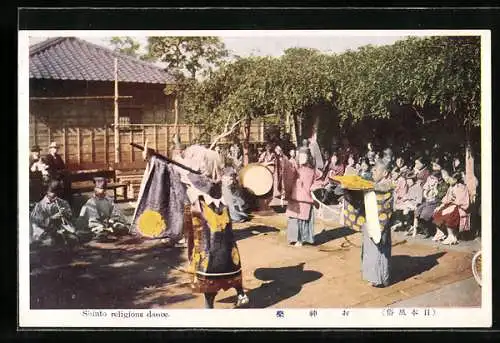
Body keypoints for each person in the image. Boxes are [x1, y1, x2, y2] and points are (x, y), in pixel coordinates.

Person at [144, 144, 249, 308]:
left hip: (207, 227)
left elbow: (176, 168)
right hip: (220, 225)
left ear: (203, 165)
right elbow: (179, 167)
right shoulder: (214, 181)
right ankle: (241, 293)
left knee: (208, 262)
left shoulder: (200, 181)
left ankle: (210, 304)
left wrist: (154, 158)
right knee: (229, 257)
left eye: (196, 160)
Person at [341, 159, 394, 288]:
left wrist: (365, 185)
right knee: (370, 250)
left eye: (376, 170)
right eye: (373, 169)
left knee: (379, 250)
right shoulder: (373, 184)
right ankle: (374, 277)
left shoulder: (388, 184)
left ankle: (381, 278)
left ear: (385, 173)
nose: (373, 172)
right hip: (369, 219)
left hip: (380, 222)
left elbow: (380, 191)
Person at [283, 147, 322, 247]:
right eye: (300, 156)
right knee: (293, 218)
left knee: (303, 219)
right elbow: (288, 175)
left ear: (308, 157)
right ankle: (294, 237)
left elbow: (317, 181)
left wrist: (315, 187)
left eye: (304, 156)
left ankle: (301, 239)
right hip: (294, 196)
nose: (301, 158)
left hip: (306, 198)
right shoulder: (295, 168)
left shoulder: (313, 171)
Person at [30, 180, 76, 247]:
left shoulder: (63, 202)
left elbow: (71, 217)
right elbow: (37, 222)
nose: (55, 195)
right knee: (52, 242)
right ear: (47, 192)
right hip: (45, 231)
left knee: (73, 239)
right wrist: (52, 218)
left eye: (57, 193)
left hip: (61, 229)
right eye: (52, 192)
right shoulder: (40, 206)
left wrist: (66, 213)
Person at [432, 172, 470, 245]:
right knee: (438, 213)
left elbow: (460, 201)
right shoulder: (451, 187)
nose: (448, 180)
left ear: (455, 180)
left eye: (450, 179)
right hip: (451, 205)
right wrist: (441, 206)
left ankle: (452, 236)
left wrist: (452, 206)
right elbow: (447, 199)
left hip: (459, 207)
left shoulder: (461, 187)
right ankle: (441, 233)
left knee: (449, 215)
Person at [413, 160, 449, 238]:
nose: (434, 167)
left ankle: (429, 230)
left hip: (437, 201)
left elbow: (442, 192)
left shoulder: (443, 177)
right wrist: (426, 194)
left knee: (425, 213)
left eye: (436, 165)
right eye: (434, 166)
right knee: (418, 211)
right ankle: (425, 229)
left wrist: (434, 194)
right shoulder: (431, 176)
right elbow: (426, 187)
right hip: (429, 199)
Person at [402, 171, 423, 236]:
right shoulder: (410, 187)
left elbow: (419, 199)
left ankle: (411, 226)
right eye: (407, 181)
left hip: (416, 204)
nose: (408, 182)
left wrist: (413, 204)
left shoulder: (418, 187)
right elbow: (408, 196)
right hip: (410, 204)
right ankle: (410, 225)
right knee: (405, 210)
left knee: (406, 209)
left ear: (413, 180)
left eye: (409, 180)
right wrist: (406, 198)